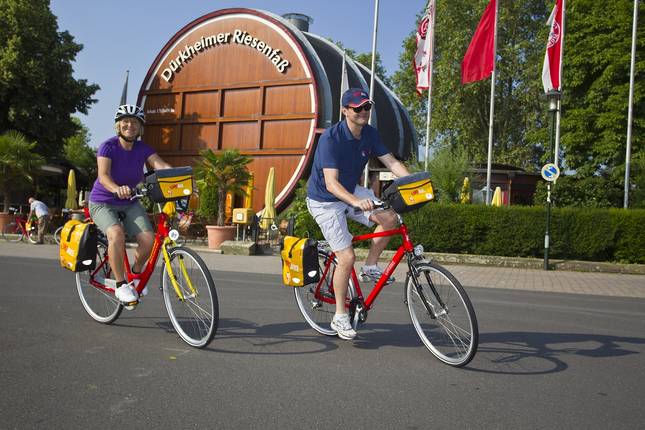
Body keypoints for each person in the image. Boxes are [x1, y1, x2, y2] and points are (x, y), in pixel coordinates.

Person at [306, 88, 411, 340]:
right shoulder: (331, 138)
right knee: (346, 257)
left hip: (350, 190)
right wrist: (356, 202)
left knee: (390, 218)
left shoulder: (369, 134)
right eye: (357, 108)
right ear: (345, 111)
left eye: (367, 107)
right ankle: (340, 316)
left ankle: (370, 266)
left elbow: (392, 163)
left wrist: (414, 182)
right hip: (325, 201)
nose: (363, 111)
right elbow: (331, 183)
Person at [88, 104, 172, 304]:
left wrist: (180, 177)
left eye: (135, 122)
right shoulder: (108, 146)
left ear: (140, 127)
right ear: (118, 125)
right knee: (116, 234)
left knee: (149, 239)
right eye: (125, 121)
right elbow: (103, 175)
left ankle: (134, 274)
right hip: (103, 202)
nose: (130, 125)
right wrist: (116, 188)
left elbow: (160, 165)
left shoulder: (143, 149)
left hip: (129, 202)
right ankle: (120, 285)